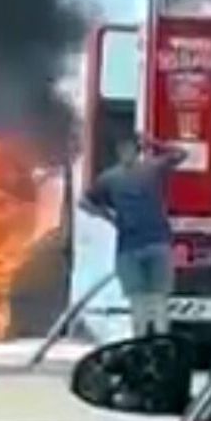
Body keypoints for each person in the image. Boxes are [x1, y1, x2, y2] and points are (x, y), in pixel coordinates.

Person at [81, 134, 187, 338]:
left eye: (128, 147)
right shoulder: (110, 178)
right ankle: (142, 343)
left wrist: (153, 142)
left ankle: (158, 343)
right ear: (118, 152)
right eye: (122, 148)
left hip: (154, 244)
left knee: (158, 301)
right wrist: (109, 218)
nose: (125, 152)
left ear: (136, 150)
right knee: (139, 302)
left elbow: (181, 153)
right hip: (132, 247)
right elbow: (85, 202)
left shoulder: (152, 168)